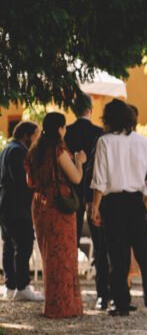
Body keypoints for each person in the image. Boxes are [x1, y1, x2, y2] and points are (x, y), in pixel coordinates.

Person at [91, 99, 147, 316]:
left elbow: (100, 179)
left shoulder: (105, 142)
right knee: (144, 255)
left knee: (117, 255)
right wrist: (144, 204)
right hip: (136, 201)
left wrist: (95, 208)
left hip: (112, 203)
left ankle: (120, 302)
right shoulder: (145, 143)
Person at [25, 113, 86, 318]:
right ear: (60, 128)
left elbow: (29, 181)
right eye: (64, 127)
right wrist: (79, 162)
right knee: (64, 256)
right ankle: (64, 306)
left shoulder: (34, 151)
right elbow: (76, 178)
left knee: (49, 256)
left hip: (40, 205)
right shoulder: (58, 150)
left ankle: (51, 305)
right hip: (59, 206)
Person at [64, 94, 110, 310]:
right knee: (100, 245)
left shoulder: (67, 132)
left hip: (71, 192)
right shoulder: (100, 133)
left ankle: (70, 291)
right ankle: (103, 294)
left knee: (70, 243)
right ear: (90, 110)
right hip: (93, 192)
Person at [1, 121, 42, 302]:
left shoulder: (6, 149)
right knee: (24, 244)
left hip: (6, 204)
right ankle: (22, 286)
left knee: (9, 246)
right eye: (35, 135)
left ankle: (10, 285)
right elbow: (22, 181)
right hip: (17, 205)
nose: (37, 139)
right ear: (26, 135)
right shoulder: (19, 151)